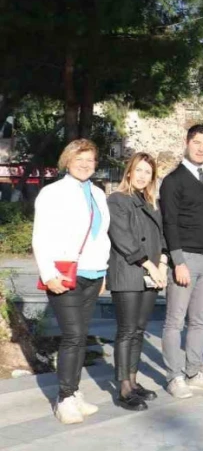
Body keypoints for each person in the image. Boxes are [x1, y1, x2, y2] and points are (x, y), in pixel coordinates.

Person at [32, 139, 112, 424]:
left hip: (92, 274)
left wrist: (103, 272)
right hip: (64, 274)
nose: (85, 164)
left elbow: (102, 236)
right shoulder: (52, 192)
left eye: (90, 160)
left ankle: (74, 391)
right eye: (80, 159)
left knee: (80, 336)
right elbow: (41, 235)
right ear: (67, 160)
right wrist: (48, 273)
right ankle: (64, 398)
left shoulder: (99, 194)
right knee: (73, 336)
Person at [159, 124, 203, 398]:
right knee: (175, 321)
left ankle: (194, 371)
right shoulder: (173, 181)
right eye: (196, 142)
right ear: (187, 143)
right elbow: (169, 223)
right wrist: (178, 262)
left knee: (200, 321)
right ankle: (174, 376)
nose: (201, 148)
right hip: (185, 258)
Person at [106, 153, 168, 411]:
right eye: (138, 170)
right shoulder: (117, 200)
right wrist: (151, 265)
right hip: (129, 272)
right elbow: (122, 238)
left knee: (139, 329)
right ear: (129, 172)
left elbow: (163, 237)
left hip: (151, 274)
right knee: (127, 330)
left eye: (148, 172)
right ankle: (123, 388)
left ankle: (132, 381)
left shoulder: (152, 202)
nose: (143, 176)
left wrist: (163, 263)